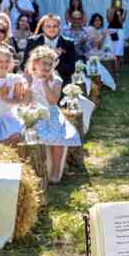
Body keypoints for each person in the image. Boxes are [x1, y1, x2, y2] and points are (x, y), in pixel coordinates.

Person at [24, 45, 81, 183]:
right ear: (35, 63)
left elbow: (53, 101)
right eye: (44, 63)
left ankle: (56, 170)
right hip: (34, 113)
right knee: (31, 133)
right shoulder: (28, 78)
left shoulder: (55, 81)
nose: (47, 67)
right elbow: (25, 102)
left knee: (58, 136)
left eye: (50, 64)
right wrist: (29, 86)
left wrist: (44, 83)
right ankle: (35, 170)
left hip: (51, 113)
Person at [23, 14, 76, 83]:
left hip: (61, 80)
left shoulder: (68, 43)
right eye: (48, 26)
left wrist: (55, 60)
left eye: (55, 26)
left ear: (59, 27)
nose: (52, 29)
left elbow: (71, 69)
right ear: (43, 28)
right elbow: (25, 64)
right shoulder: (33, 41)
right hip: (37, 80)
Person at [106, 0, 127, 72]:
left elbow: (121, 22)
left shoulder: (124, 10)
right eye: (115, 1)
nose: (117, 2)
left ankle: (117, 69)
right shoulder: (109, 10)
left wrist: (118, 13)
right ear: (113, 2)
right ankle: (110, 69)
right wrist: (113, 11)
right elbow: (109, 20)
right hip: (111, 30)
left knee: (118, 51)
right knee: (111, 50)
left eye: (119, 1)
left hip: (120, 31)